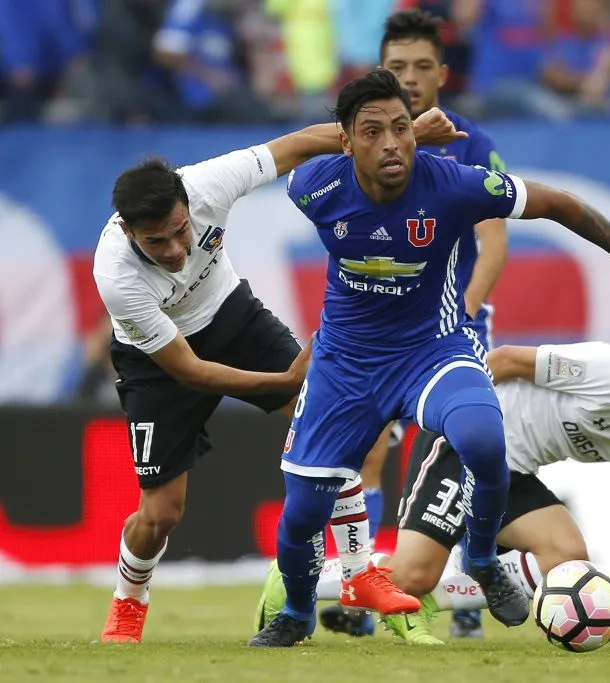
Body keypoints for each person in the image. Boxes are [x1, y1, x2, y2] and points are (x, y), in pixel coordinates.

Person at [247, 68, 610, 647]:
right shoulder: (314, 186)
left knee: (482, 436)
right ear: (345, 142)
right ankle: (297, 615)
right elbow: (293, 151)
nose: (391, 143)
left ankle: (480, 557)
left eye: (401, 128)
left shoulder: (453, 184)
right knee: (301, 513)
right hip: (345, 364)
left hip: (434, 350)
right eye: (372, 132)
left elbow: (559, 205)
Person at [92, 109, 468, 644]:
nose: (177, 251)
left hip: (232, 314)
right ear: (129, 232)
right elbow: (191, 371)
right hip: (159, 364)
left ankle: (360, 573)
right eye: (158, 244)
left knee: (343, 430)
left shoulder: (206, 184)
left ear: (187, 204)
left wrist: (389, 142)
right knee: (161, 513)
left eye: (182, 232)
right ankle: (130, 600)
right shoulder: (115, 276)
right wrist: (285, 380)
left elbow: (299, 144)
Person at [254, 342, 610, 645]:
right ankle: (297, 577)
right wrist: (453, 415)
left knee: (568, 560)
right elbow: (505, 359)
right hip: (464, 442)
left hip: (513, 474)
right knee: (412, 575)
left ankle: (426, 597)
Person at [348, 7, 511, 640]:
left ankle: (466, 596)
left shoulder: (473, 145)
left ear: (442, 74)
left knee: (454, 451)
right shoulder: (362, 141)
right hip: (379, 326)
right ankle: (367, 587)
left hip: (449, 328)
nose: (410, 79)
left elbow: (493, 244)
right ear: (379, 72)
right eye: (397, 67)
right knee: (364, 454)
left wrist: (461, 318)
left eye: (421, 67)